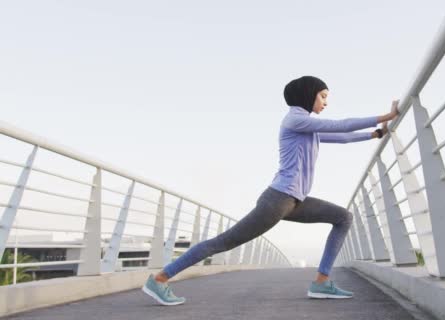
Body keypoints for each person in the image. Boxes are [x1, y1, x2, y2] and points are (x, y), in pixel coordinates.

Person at [142, 75, 400, 305]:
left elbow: (341, 136)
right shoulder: (295, 119)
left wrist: (377, 134)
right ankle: (161, 278)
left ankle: (321, 282)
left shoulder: (309, 127)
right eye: (322, 96)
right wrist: (385, 116)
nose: (325, 102)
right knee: (223, 242)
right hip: (277, 200)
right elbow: (340, 125)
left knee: (343, 217)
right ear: (308, 95)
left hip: (294, 200)